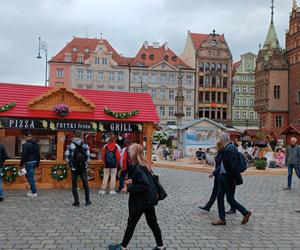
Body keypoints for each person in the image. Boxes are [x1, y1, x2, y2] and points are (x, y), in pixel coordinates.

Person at [108, 143, 166, 250]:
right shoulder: (143, 165)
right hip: (147, 200)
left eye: (130, 151)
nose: (128, 153)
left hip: (141, 201)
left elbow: (144, 184)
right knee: (153, 223)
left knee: (132, 223)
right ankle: (161, 246)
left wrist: (128, 188)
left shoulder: (138, 168)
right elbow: (144, 181)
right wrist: (132, 181)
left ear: (135, 153)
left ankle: (123, 247)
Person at [212, 133, 251, 226]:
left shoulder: (230, 149)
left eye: (220, 140)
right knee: (220, 197)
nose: (219, 141)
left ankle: (245, 212)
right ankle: (222, 219)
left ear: (223, 140)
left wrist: (229, 177)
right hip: (223, 177)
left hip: (228, 178)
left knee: (230, 199)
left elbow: (233, 166)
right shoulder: (226, 148)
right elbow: (223, 163)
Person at [199, 141, 235, 213]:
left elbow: (220, 166)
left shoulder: (223, 153)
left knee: (227, 194)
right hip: (218, 175)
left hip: (221, 175)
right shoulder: (219, 152)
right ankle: (208, 206)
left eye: (217, 146)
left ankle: (235, 209)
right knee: (215, 191)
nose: (216, 147)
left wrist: (213, 173)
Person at [65, 130, 91, 207]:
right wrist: (85, 164)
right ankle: (87, 201)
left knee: (74, 185)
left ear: (74, 135)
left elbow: (67, 157)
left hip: (74, 167)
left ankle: (77, 202)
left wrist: (71, 162)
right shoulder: (85, 145)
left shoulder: (70, 145)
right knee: (85, 184)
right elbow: (88, 158)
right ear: (81, 136)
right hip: (83, 167)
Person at [20, 131, 40, 198]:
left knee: (30, 177)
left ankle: (34, 192)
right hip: (34, 162)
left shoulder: (25, 145)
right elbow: (38, 154)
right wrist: (37, 163)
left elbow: (24, 155)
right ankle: (32, 190)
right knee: (29, 176)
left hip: (28, 163)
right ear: (30, 136)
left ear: (25, 137)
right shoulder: (36, 144)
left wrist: (21, 164)